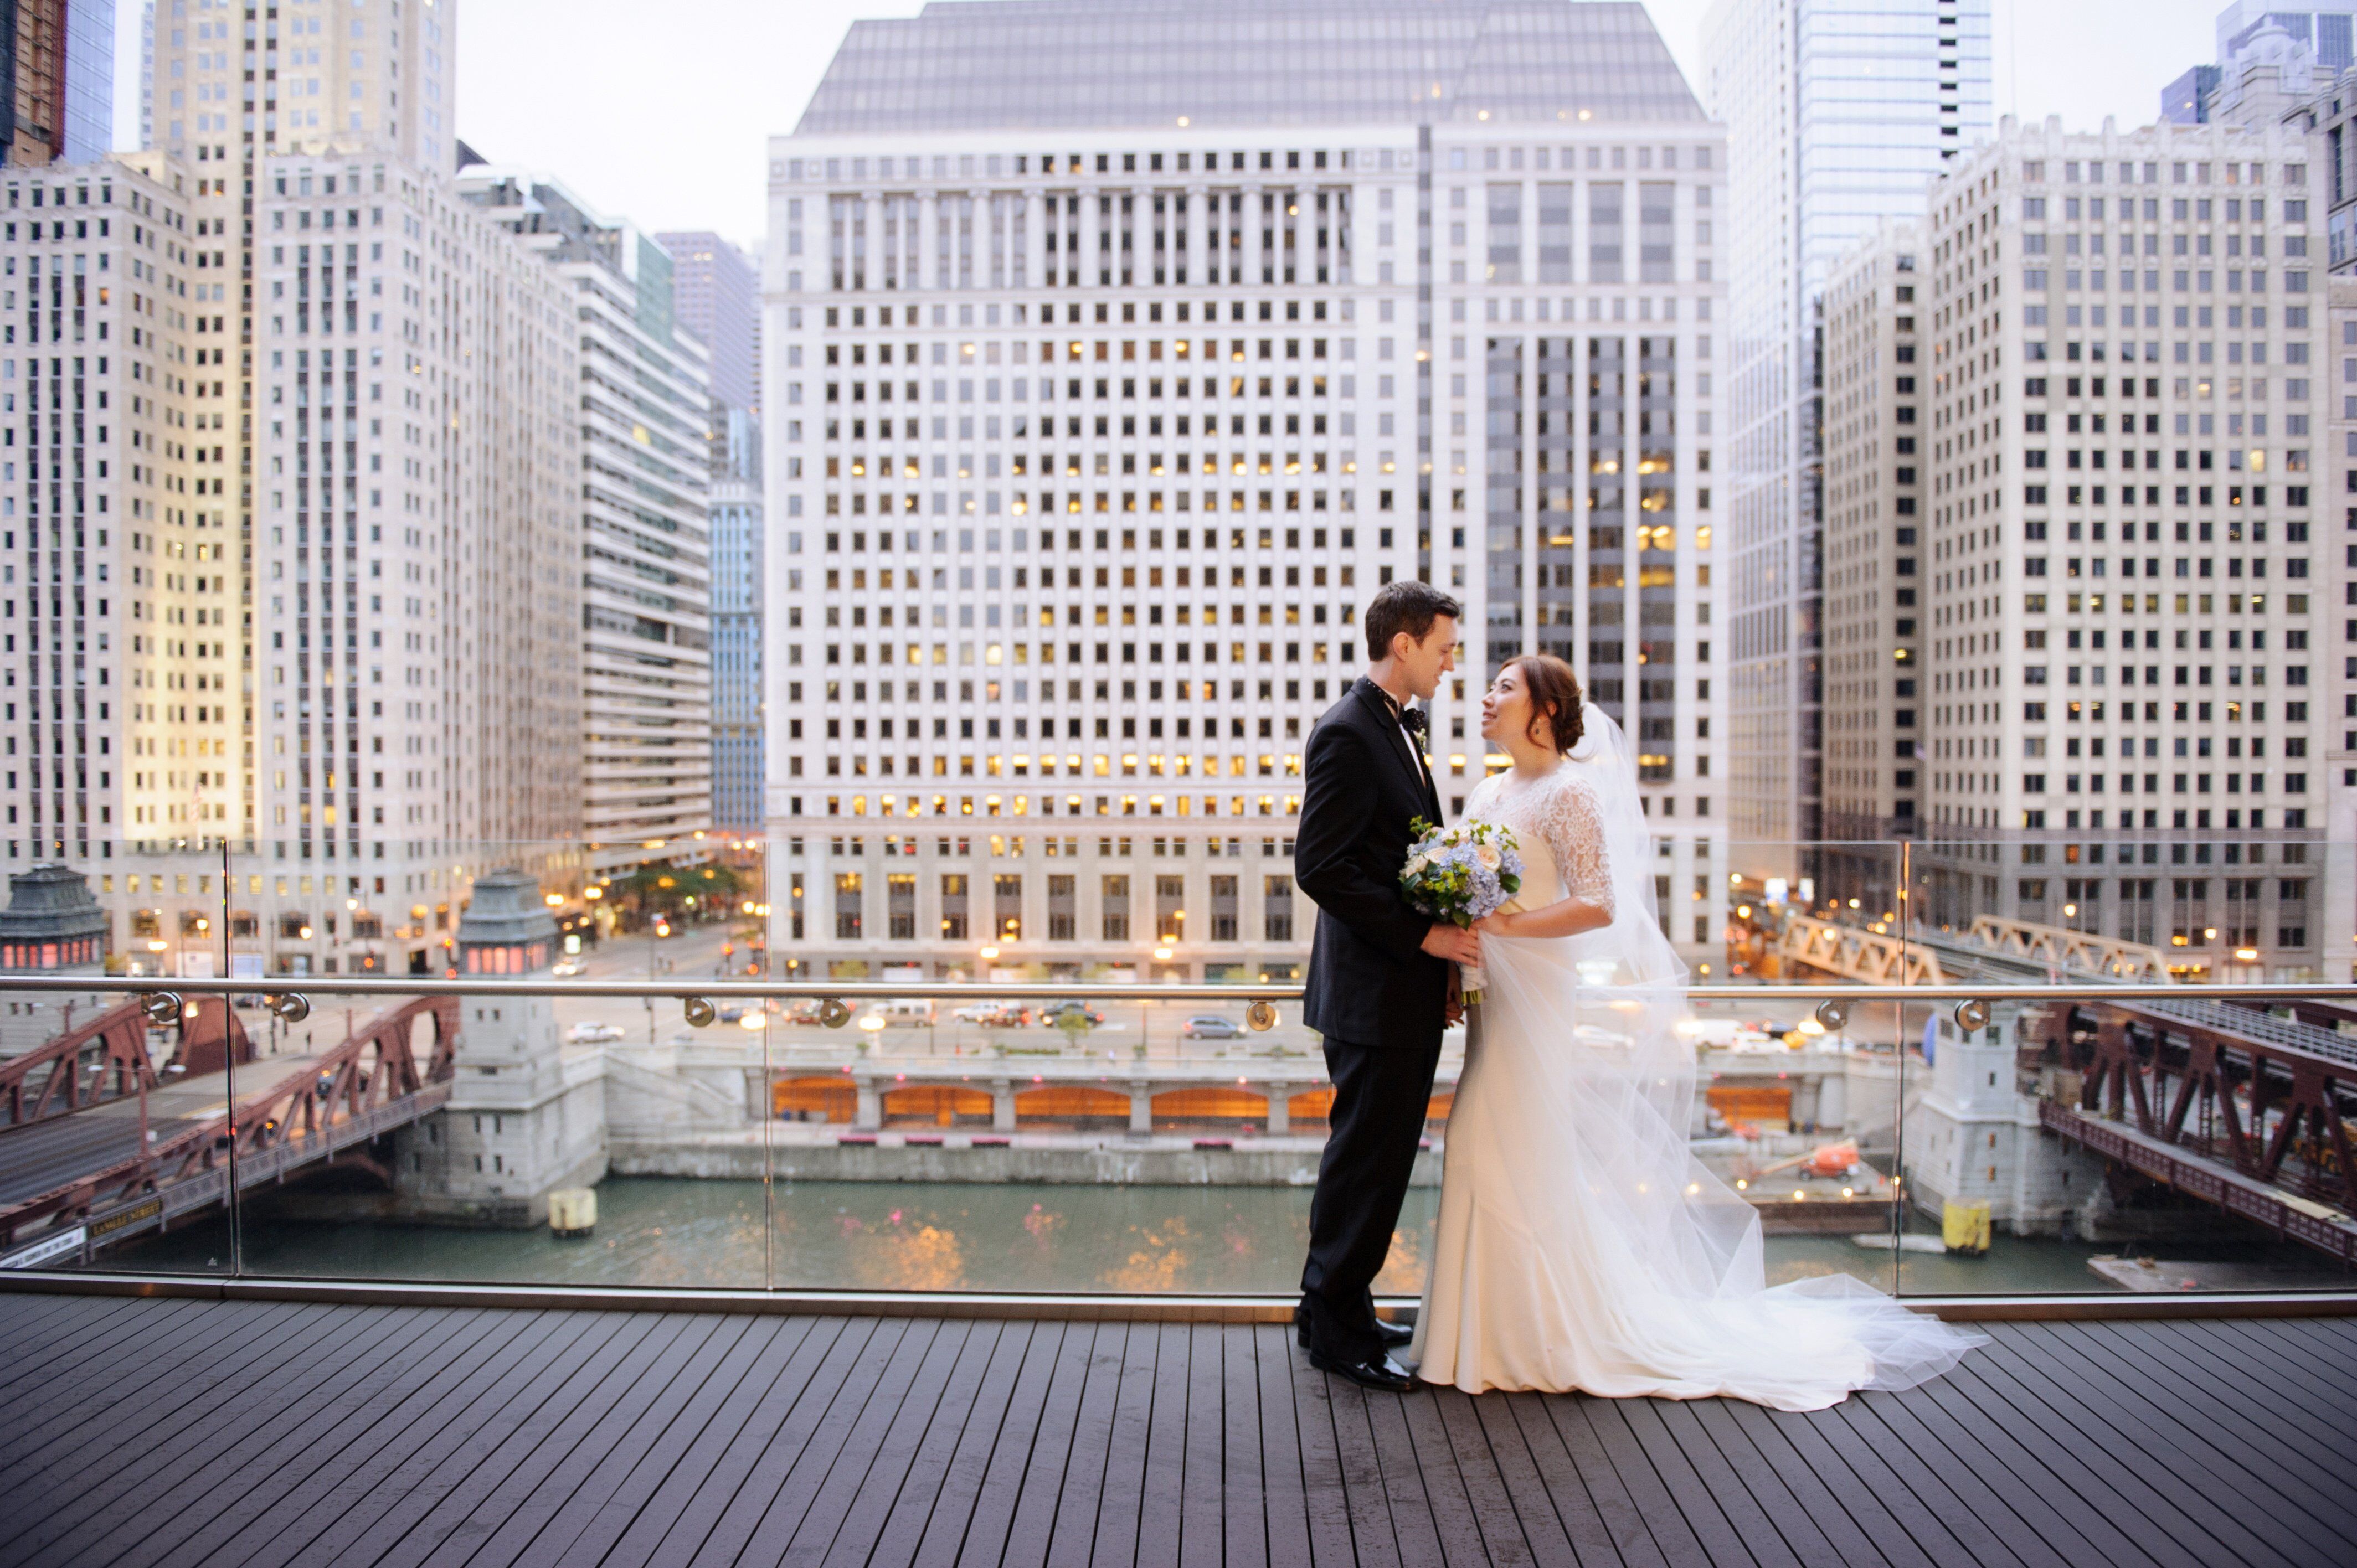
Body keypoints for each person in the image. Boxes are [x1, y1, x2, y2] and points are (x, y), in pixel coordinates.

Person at [1409, 653, 1986, 1409]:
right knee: (1488, 1145)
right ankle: (1485, 1335)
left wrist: (1506, 924)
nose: (1486, 696)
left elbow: (1599, 904)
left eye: (1504, 688)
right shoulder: (1489, 788)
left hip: (1539, 997)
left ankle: (1528, 1336)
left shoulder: (1570, 793)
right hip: (1493, 998)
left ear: (1545, 712)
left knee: (1498, 1141)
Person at [1292, 580, 1480, 1391]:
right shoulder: (1348, 732)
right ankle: (1333, 1329)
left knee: (1379, 1162)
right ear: (1402, 644)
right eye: (1443, 648)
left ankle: (1345, 1308)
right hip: (1371, 996)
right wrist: (1429, 934)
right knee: (1364, 1166)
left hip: (1396, 993)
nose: (1451, 663)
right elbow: (1321, 868)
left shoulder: (1396, 729)